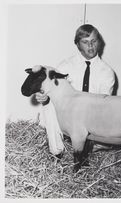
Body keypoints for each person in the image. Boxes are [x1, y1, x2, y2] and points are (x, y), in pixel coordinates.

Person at [36, 24, 116, 159]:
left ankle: (88, 144)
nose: (90, 46)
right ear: (78, 45)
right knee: (48, 108)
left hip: (90, 116)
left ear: (100, 42)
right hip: (67, 117)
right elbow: (53, 93)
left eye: (94, 41)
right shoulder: (64, 66)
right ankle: (57, 152)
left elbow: (102, 106)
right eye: (85, 42)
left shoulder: (107, 72)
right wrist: (45, 98)